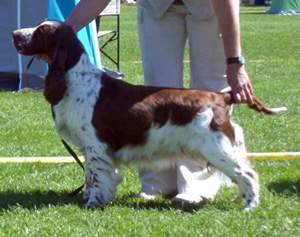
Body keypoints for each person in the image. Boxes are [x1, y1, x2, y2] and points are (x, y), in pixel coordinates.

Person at [37, 0, 254, 205]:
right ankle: (156, 184)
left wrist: (235, 63)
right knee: (156, 96)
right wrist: (64, 32)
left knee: (207, 92)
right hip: (157, 7)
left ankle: (196, 185)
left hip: (210, 7)